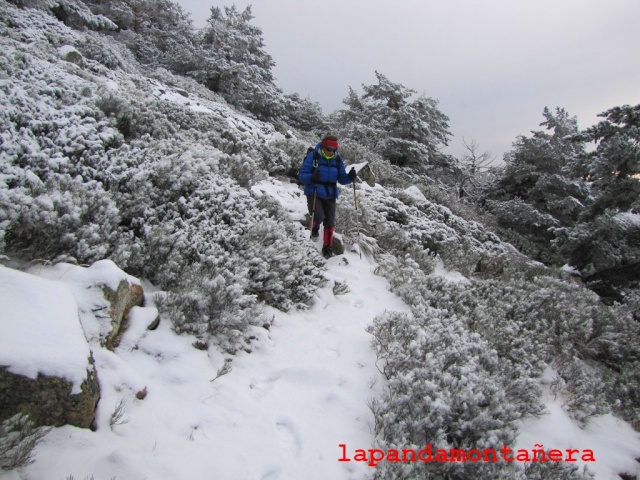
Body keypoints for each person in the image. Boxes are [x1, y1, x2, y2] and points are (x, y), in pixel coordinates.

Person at [299, 134, 357, 258]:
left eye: (334, 149)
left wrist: (350, 177)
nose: (331, 152)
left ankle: (327, 247)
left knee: (330, 222)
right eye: (329, 149)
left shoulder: (337, 159)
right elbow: (302, 175)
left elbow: (341, 178)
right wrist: (311, 177)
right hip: (314, 191)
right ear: (324, 146)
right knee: (319, 215)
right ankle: (314, 226)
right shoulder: (313, 156)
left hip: (330, 193)